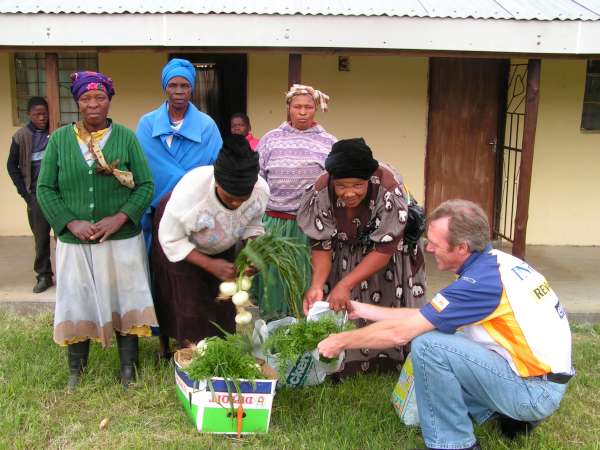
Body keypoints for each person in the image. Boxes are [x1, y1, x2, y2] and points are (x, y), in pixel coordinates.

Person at [318, 199, 573, 450]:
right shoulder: (493, 265)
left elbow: (401, 334)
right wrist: (363, 309)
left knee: (429, 346)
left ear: (461, 248)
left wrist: (340, 341)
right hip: (538, 379)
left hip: (534, 392)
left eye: (433, 244)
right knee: (436, 332)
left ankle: (454, 443)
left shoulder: (480, 285)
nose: (428, 249)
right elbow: (427, 317)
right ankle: (504, 417)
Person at [37, 71, 157, 389]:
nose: (93, 104)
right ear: (77, 102)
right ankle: (77, 370)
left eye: (100, 98)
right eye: (86, 99)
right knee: (77, 298)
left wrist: (120, 217)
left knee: (125, 297)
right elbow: (45, 188)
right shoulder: (61, 140)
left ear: (109, 101)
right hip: (74, 243)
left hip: (121, 241)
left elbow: (145, 185)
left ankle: (128, 369)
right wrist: (69, 222)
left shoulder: (126, 138)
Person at [298, 138, 427, 376]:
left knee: (381, 297)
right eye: (341, 186)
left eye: (357, 185)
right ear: (332, 181)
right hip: (344, 246)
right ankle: (342, 361)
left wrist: (346, 283)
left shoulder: (388, 189)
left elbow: (383, 251)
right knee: (335, 294)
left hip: (388, 249)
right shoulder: (320, 191)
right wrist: (317, 285)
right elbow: (322, 246)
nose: (348, 193)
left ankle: (389, 361)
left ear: (369, 179)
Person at [152, 135, 269, 357]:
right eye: (230, 198)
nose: (236, 204)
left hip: (221, 239)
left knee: (221, 302)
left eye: (242, 199)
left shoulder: (260, 191)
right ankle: (182, 353)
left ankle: (219, 351)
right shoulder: (191, 191)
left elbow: (253, 225)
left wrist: (252, 252)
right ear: (217, 182)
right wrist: (210, 264)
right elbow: (170, 239)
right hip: (181, 241)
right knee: (185, 301)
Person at [256, 84, 336, 318]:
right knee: (274, 281)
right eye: (297, 106)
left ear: (315, 110)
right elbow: (258, 180)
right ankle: (273, 328)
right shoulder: (271, 139)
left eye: (308, 107)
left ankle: (301, 328)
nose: (303, 112)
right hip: (274, 224)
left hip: (310, 226)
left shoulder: (328, 142)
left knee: (305, 280)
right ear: (288, 108)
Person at [136, 58, 223, 250]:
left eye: (185, 85)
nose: (179, 91)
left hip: (195, 215)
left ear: (192, 88)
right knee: (158, 270)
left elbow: (218, 170)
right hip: (155, 214)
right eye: (173, 85)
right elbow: (138, 169)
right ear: (165, 88)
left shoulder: (207, 127)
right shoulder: (147, 125)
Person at [6, 96, 53, 293]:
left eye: (44, 114)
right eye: (37, 114)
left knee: (66, 237)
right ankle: (44, 276)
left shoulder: (57, 132)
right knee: (41, 238)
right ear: (29, 115)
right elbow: (11, 166)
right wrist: (25, 194)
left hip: (59, 193)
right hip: (36, 194)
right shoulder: (21, 136)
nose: (42, 118)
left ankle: (70, 276)